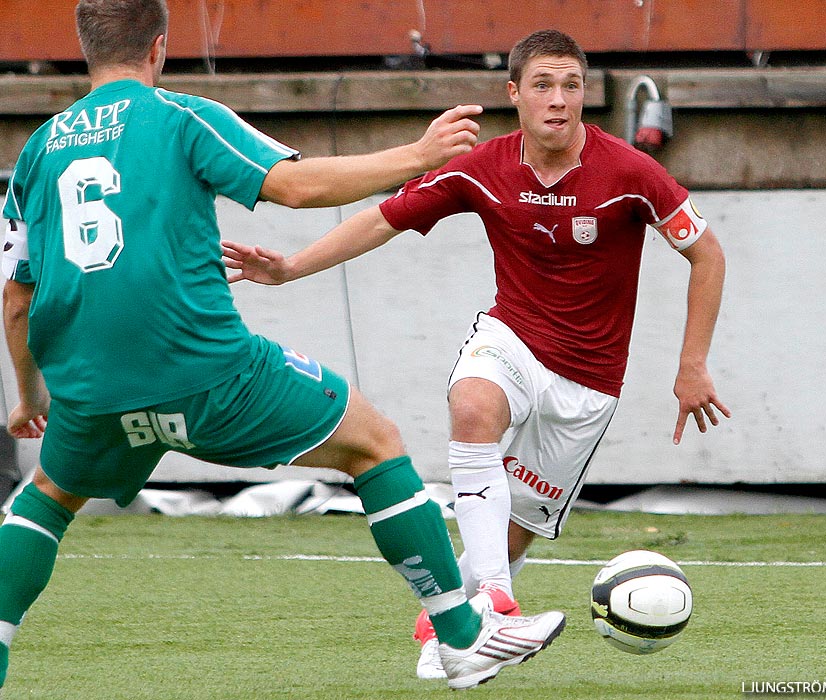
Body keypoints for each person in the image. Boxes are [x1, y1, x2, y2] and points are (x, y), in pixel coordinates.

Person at [0, 1, 567, 691]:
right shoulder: (182, 117)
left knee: (48, 498)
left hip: (89, 391)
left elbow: (17, 300)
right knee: (374, 442)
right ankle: (463, 637)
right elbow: (294, 187)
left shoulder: (36, 151)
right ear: (158, 47)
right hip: (206, 373)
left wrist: (31, 399)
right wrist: (418, 156)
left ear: (85, 50)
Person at [223, 29, 730, 679]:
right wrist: (291, 266)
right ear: (514, 94)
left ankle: (457, 629)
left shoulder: (630, 173)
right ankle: (490, 598)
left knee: (514, 533)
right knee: (472, 404)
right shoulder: (481, 167)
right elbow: (385, 218)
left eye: (571, 86)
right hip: (511, 337)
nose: (558, 100)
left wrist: (692, 364)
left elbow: (706, 253)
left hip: (589, 383)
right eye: (543, 85)